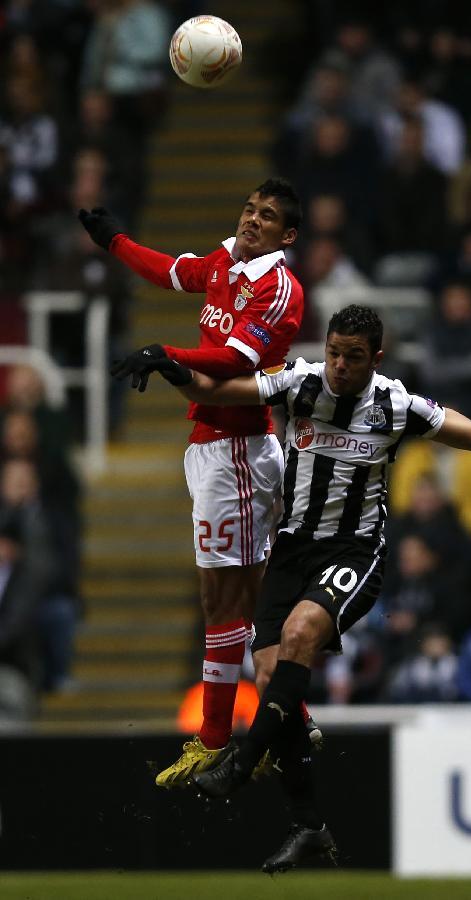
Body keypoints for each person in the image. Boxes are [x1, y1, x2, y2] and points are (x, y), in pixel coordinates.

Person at [133, 304, 471, 872]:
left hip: (354, 553)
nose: (339, 366)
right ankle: (308, 826)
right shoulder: (301, 383)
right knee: (275, 677)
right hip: (293, 551)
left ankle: (240, 759)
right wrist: (170, 362)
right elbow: (226, 391)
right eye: (333, 352)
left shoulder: (396, 405)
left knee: (300, 635)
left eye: (353, 357)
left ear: (375, 358)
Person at [79, 178, 312, 788]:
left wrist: (167, 355)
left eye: (267, 216)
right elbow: (168, 270)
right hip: (215, 446)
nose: (252, 220)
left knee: (220, 601)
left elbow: (237, 360)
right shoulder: (222, 264)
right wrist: (115, 242)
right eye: (248, 209)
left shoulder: (280, 289)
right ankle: (291, 720)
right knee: (255, 601)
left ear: (287, 235)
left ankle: (213, 740)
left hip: (237, 449)